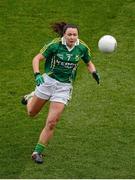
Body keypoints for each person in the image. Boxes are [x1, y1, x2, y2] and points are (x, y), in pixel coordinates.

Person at [22, 22, 100, 164]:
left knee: (52, 122)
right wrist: (37, 74)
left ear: (78, 35)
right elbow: (36, 58)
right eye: (69, 34)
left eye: (75, 34)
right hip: (47, 83)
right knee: (31, 113)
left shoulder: (82, 47)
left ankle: (37, 152)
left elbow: (88, 62)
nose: (72, 37)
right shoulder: (54, 45)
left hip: (64, 87)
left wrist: (93, 72)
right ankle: (30, 97)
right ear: (64, 34)